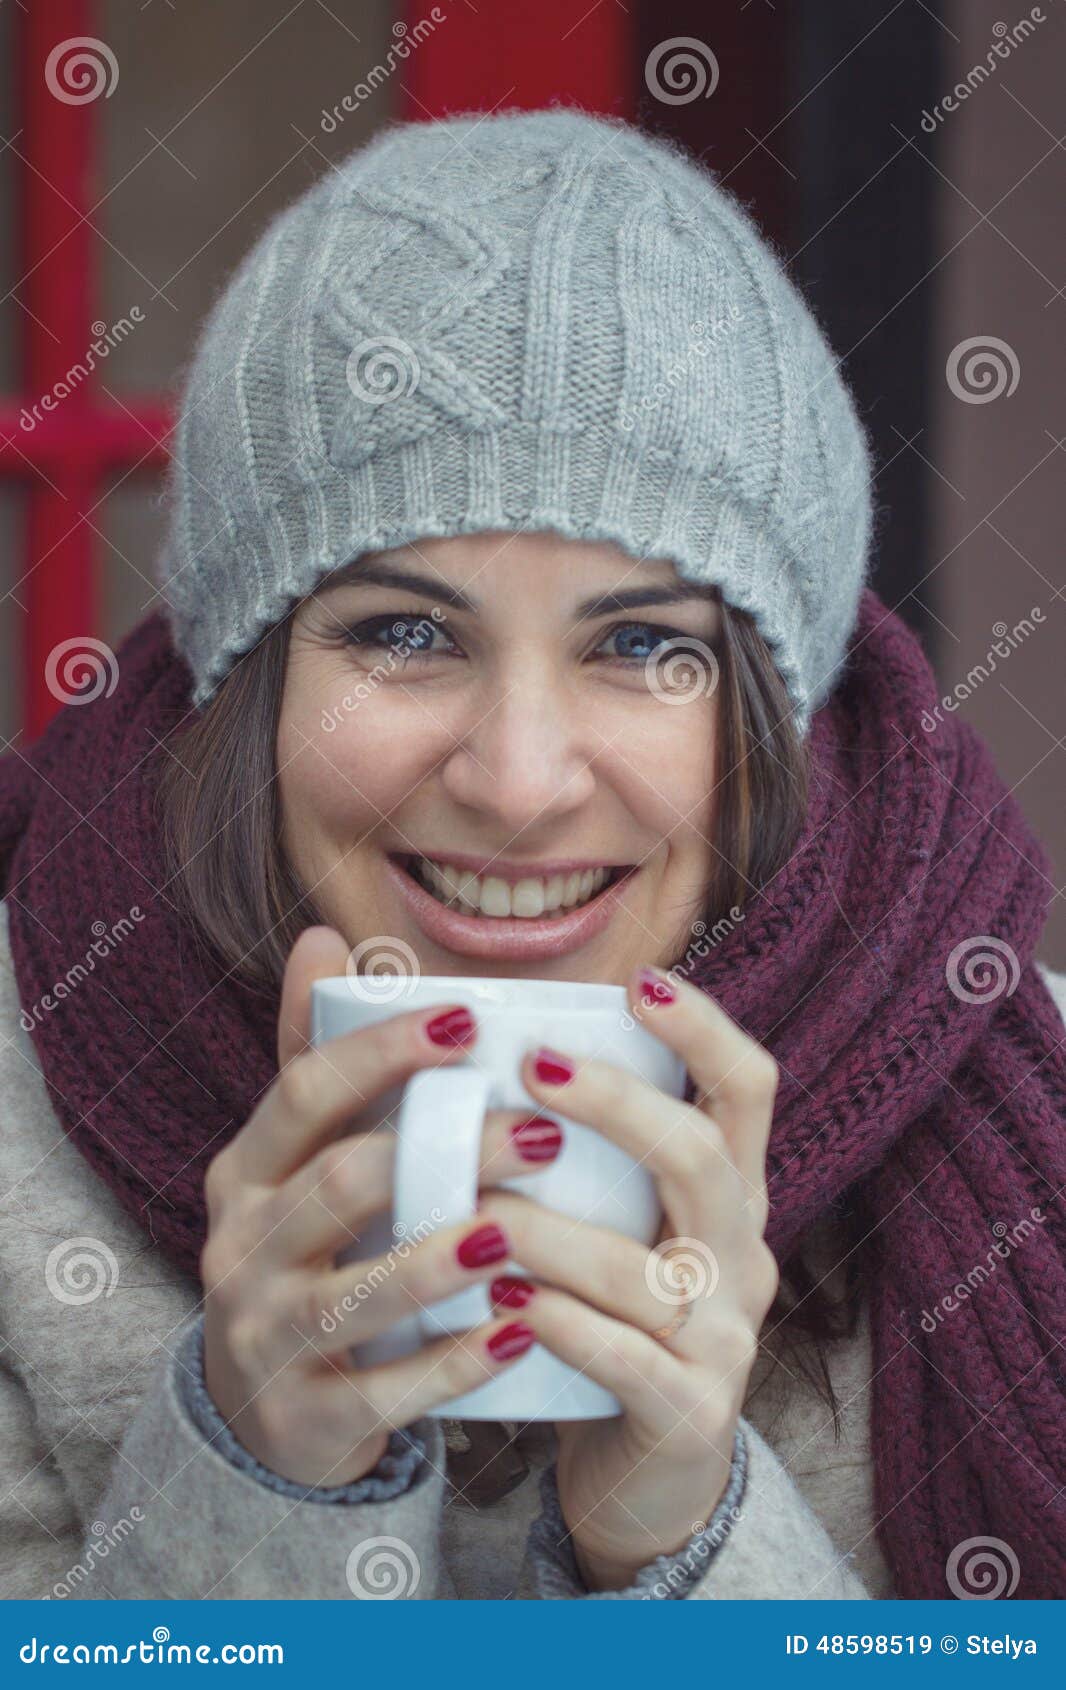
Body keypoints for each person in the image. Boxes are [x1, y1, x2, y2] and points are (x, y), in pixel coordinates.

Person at [1, 108, 1063, 1603]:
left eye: (639, 646)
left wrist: (684, 1531)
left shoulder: (1024, 1102)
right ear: (248, 684)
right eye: (404, 633)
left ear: (774, 713)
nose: (515, 782)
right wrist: (250, 1483)